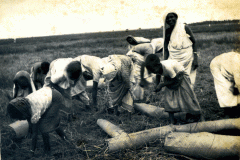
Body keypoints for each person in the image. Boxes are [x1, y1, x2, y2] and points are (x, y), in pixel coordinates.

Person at [7, 86, 75, 155]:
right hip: (47, 95)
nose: (20, 119)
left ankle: (47, 149)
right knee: (51, 122)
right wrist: (29, 130)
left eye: (20, 117)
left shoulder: (34, 110)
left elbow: (35, 133)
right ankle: (65, 139)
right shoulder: (25, 103)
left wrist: (32, 150)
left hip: (55, 98)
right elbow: (28, 119)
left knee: (44, 126)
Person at [141, 54, 204, 124]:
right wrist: (157, 85)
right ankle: (172, 121)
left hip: (180, 77)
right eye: (151, 71)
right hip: (169, 77)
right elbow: (158, 74)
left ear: (158, 65)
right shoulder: (157, 68)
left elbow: (175, 80)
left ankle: (199, 116)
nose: (153, 72)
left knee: (187, 97)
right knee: (169, 99)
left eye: (153, 70)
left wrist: (162, 85)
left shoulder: (168, 67)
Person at [162, 11, 198, 88]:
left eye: (172, 17)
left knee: (187, 80)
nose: (170, 19)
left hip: (187, 58)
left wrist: (196, 58)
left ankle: (188, 98)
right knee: (174, 79)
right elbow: (166, 48)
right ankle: (177, 99)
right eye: (167, 18)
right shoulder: (167, 31)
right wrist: (165, 62)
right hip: (174, 58)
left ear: (176, 18)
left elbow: (194, 42)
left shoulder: (184, 27)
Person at [126, 35, 164, 101]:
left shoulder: (149, 45)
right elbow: (146, 63)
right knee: (138, 78)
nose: (160, 51)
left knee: (135, 76)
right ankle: (137, 98)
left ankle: (137, 97)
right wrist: (146, 76)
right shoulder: (150, 48)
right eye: (161, 49)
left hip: (131, 56)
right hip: (135, 57)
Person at [101, 55, 134, 120]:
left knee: (128, 94)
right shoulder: (106, 66)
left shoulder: (124, 73)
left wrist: (120, 98)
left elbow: (127, 86)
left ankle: (129, 116)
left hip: (128, 64)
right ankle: (116, 112)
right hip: (117, 62)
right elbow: (109, 80)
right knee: (112, 89)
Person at [210, 52, 240, 118]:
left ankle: (234, 108)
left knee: (234, 88)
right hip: (217, 65)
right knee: (225, 87)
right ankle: (228, 112)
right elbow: (238, 85)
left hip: (229, 66)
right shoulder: (238, 67)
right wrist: (236, 87)